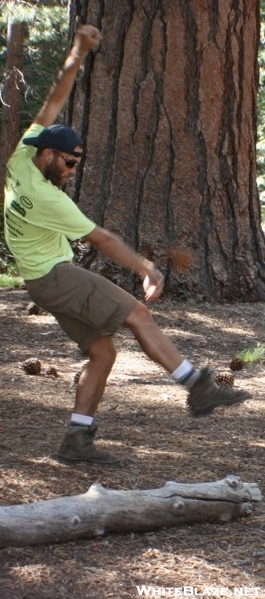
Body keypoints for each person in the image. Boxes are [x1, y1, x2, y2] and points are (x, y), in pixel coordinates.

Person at [4, 25, 251, 465]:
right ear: (48, 155)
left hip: (42, 280)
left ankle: (76, 441)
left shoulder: (22, 157)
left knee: (103, 353)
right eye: (68, 161)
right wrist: (146, 268)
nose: (73, 169)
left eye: (78, 162)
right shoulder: (47, 198)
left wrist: (78, 51)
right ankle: (198, 387)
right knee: (138, 312)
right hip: (55, 276)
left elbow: (53, 99)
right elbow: (103, 239)